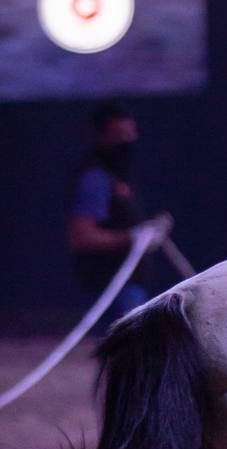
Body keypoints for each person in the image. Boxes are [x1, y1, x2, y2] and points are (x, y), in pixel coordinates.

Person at [68, 101, 168, 331]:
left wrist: (151, 231)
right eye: (119, 134)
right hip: (111, 284)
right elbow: (81, 236)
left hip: (131, 283)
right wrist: (131, 238)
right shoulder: (95, 179)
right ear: (100, 137)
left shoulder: (120, 177)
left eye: (131, 133)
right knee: (124, 350)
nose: (127, 141)